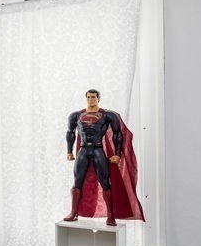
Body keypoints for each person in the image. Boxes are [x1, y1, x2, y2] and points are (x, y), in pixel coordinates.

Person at [62, 89, 144, 226]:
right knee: (77, 181)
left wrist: (117, 154)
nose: (91, 100)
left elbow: (118, 135)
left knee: (105, 181)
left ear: (98, 98)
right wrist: (69, 151)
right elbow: (70, 133)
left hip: (98, 149)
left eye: (93, 97)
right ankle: (73, 212)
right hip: (83, 150)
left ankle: (110, 215)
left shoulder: (108, 115)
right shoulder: (76, 115)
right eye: (88, 97)